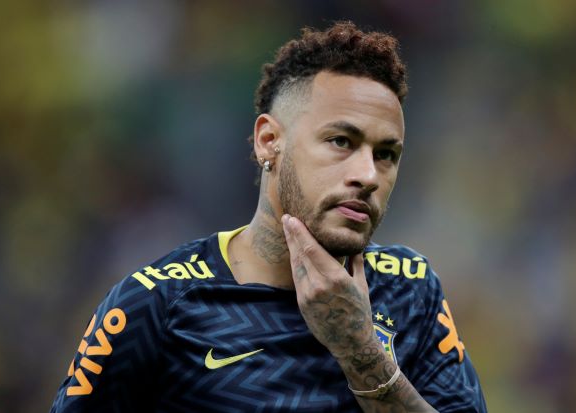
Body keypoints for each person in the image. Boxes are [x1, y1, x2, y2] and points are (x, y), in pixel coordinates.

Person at [50, 21, 487, 412]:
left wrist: (361, 352)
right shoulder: (158, 306)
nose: (368, 175)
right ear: (268, 141)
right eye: (341, 141)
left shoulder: (410, 291)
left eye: (386, 154)